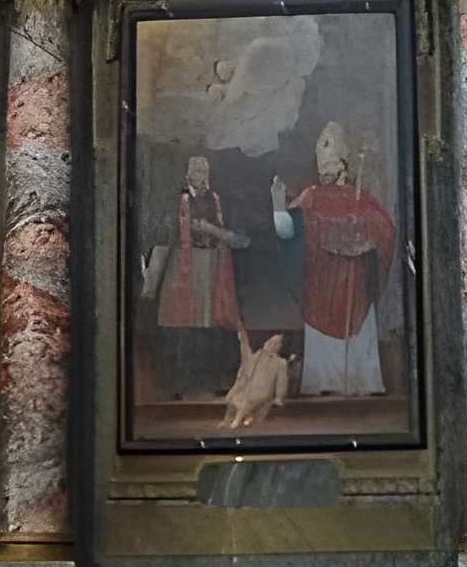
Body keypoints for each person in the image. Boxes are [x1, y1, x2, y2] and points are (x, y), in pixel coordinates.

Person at [271, 121, 396, 398]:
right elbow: (286, 231)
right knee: (323, 344)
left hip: (355, 282)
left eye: (328, 162)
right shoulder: (311, 195)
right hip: (322, 282)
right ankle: (324, 383)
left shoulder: (362, 198)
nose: (322, 168)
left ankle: (361, 382)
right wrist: (278, 204)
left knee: (358, 336)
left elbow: (384, 229)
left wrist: (362, 230)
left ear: (343, 164)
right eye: (320, 162)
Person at [141, 152, 247, 399]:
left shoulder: (219, 201)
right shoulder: (174, 202)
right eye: (196, 170)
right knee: (181, 327)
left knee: (213, 326)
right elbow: (162, 240)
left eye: (204, 171)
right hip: (182, 269)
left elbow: (241, 239)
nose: (201, 175)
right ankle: (179, 384)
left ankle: (215, 380)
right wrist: (152, 280)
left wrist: (212, 230)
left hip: (213, 269)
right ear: (187, 174)